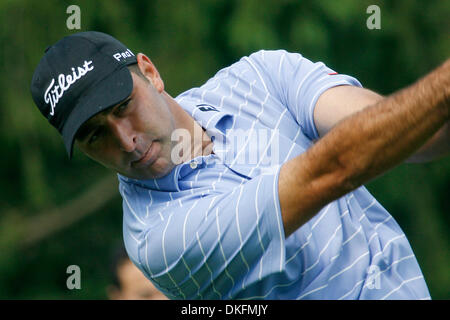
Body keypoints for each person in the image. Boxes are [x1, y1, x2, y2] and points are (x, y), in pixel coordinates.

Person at [30, 31, 449, 300]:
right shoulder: (157, 241)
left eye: (124, 107)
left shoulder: (259, 76)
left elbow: (413, 133)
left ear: (151, 73)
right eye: (95, 135)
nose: (126, 140)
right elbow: (334, 170)